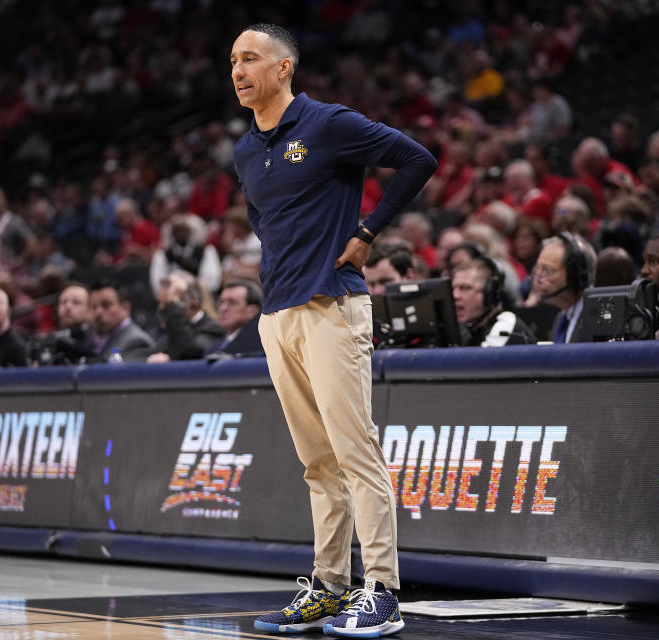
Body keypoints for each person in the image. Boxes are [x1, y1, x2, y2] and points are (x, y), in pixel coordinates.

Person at [230, 23, 436, 638]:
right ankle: (327, 586)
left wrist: (368, 232)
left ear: (284, 67)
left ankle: (383, 589)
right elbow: (264, 222)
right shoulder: (246, 150)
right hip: (278, 316)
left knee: (355, 452)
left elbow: (416, 159)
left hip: (332, 306)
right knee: (317, 463)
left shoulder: (327, 123)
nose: (238, 71)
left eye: (250, 59)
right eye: (233, 61)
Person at [452, 259, 535, 346]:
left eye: (465, 288)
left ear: (489, 292)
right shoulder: (469, 332)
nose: (455, 295)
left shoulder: (505, 324)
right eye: (453, 289)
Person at [531, 232, 596, 343]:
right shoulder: (561, 319)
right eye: (537, 269)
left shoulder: (596, 319)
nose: (538, 278)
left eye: (547, 270)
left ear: (576, 275)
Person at [147, 271, 224, 362]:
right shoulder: (165, 337)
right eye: (160, 303)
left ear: (194, 305)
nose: (161, 309)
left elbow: (188, 352)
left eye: (169, 304)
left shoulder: (213, 329)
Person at [89, 280, 156, 362]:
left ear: (125, 308)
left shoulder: (137, 341)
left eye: (106, 305)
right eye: (93, 307)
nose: (98, 312)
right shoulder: (89, 339)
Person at [205, 279, 263, 358]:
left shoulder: (261, 346)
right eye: (221, 302)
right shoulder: (213, 347)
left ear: (253, 311)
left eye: (232, 302)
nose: (223, 308)